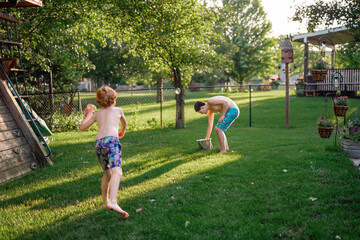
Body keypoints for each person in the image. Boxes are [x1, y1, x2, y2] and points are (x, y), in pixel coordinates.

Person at [80, 86, 129, 218]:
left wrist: (89, 114)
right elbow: (124, 123)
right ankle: (113, 201)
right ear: (114, 99)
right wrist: (122, 132)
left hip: (99, 144)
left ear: (99, 102)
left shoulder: (97, 114)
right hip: (111, 142)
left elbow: (82, 127)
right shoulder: (118, 110)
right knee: (117, 171)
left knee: (107, 173)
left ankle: (104, 200)